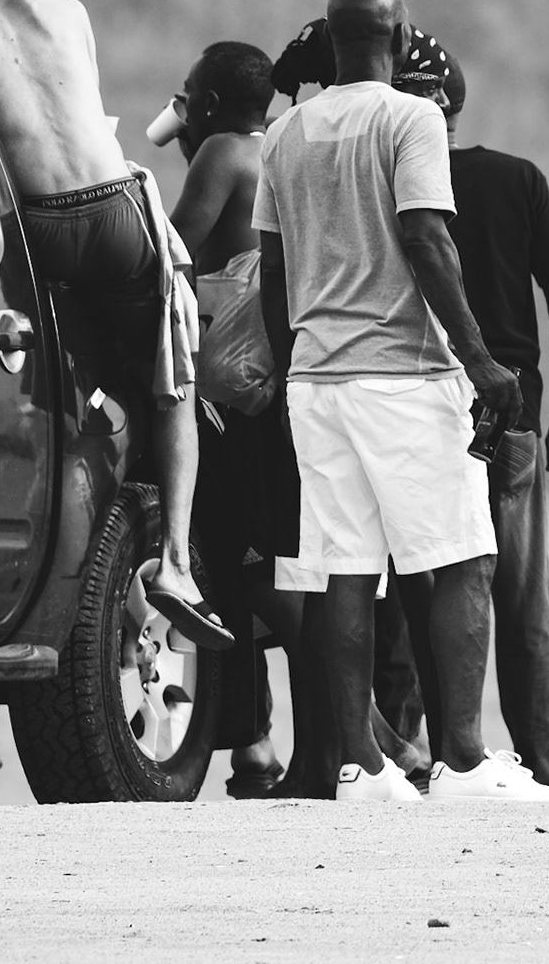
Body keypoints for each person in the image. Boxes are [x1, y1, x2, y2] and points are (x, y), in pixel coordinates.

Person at [256, 0, 549, 801]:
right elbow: (427, 239)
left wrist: (296, 367)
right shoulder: (411, 117)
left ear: (333, 37)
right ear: (398, 37)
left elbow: (273, 276)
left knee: (346, 571)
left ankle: (362, 768)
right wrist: (484, 360)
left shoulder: (283, 137)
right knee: (462, 558)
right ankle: (463, 761)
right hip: (405, 375)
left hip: (317, 380)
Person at [0, 0, 230, 652]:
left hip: (36, 228)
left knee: (67, 377)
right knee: (172, 383)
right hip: (112, 213)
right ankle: (177, 565)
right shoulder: (69, 12)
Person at [166, 39, 324, 797]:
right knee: (271, 559)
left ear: (205, 103)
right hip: (284, 386)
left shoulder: (223, 153)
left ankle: (324, 734)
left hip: (229, 398)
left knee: (245, 567)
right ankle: (268, 742)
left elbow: (169, 252)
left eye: (189, 91)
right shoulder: (287, 149)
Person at [431, 53, 549, 796]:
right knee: (525, 603)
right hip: (516, 407)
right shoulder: (518, 178)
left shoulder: (394, 182)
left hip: (427, 403)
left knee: (425, 590)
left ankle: (431, 764)